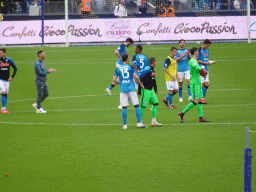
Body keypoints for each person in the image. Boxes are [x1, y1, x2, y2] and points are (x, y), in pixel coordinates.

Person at [113, 54, 146, 129]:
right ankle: (139, 123)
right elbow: (136, 77)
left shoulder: (118, 68)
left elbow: (114, 80)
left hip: (123, 89)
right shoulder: (131, 67)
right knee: (136, 105)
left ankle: (125, 125)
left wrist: (121, 82)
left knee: (124, 107)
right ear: (127, 59)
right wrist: (140, 84)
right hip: (131, 88)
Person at [178, 47, 210, 123]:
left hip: (198, 83)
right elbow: (197, 67)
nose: (198, 52)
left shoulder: (194, 60)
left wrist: (201, 73)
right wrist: (202, 70)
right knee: (195, 101)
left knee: (200, 100)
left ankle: (200, 117)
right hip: (194, 84)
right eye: (197, 51)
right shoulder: (192, 60)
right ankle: (182, 113)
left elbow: (196, 70)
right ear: (194, 52)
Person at [139, 57, 162, 127]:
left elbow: (153, 80)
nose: (156, 63)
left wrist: (155, 90)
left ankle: (153, 121)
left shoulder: (152, 69)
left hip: (151, 90)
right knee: (143, 106)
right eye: (155, 61)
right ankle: (139, 122)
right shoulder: (147, 69)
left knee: (155, 103)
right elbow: (140, 78)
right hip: (145, 90)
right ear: (153, 62)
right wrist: (139, 90)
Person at [197, 39, 215, 104]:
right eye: (207, 45)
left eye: (209, 45)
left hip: (206, 70)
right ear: (204, 44)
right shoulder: (199, 50)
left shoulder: (207, 51)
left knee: (207, 84)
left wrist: (211, 62)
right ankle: (199, 99)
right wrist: (206, 63)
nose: (208, 47)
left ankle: (202, 99)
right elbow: (197, 60)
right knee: (201, 85)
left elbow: (206, 60)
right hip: (200, 70)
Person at [0, 48, 17, 114]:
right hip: (0, 79)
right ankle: (3, 109)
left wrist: (12, 77)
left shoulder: (9, 60)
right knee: (3, 92)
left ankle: (4, 107)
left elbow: (15, 68)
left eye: (1, 53)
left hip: (7, 80)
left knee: (5, 93)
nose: (0, 54)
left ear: (4, 53)